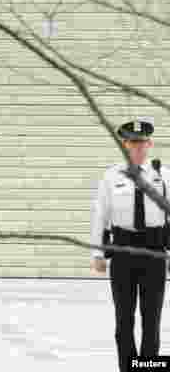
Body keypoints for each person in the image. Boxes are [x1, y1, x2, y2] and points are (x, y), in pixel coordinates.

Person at [90, 118, 167, 372]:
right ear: (125, 144)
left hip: (154, 251)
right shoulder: (111, 176)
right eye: (133, 143)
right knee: (124, 320)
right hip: (122, 251)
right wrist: (97, 253)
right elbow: (100, 215)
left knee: (152, 320)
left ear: (150, 143)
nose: (138, 147)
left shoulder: (163, 175)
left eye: (142, 142)